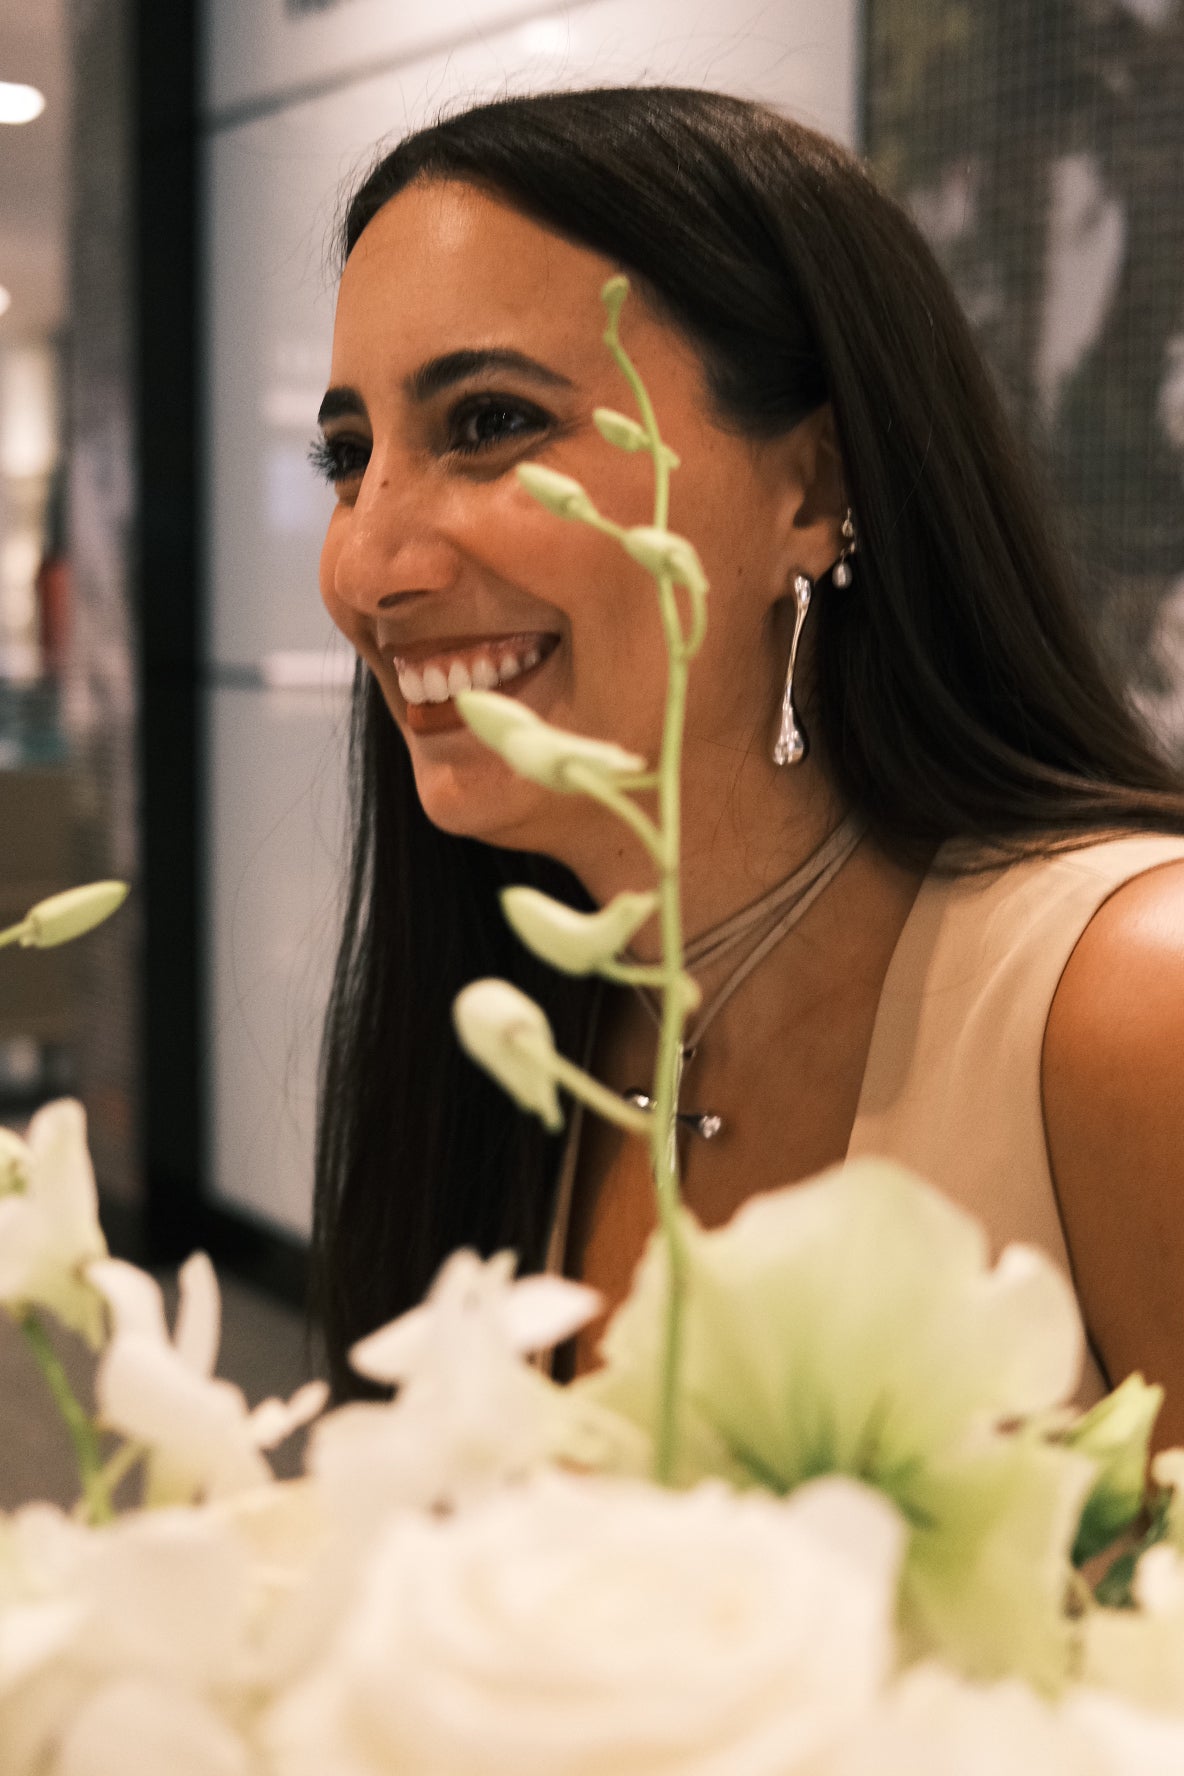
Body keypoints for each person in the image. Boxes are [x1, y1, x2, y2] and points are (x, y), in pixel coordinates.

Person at [310, 87, 1184, 1425]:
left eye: (490, 423)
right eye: (349, 455)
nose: (369, 565)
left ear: (814, 491)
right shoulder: (520, 1031)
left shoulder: (1135, 1010)